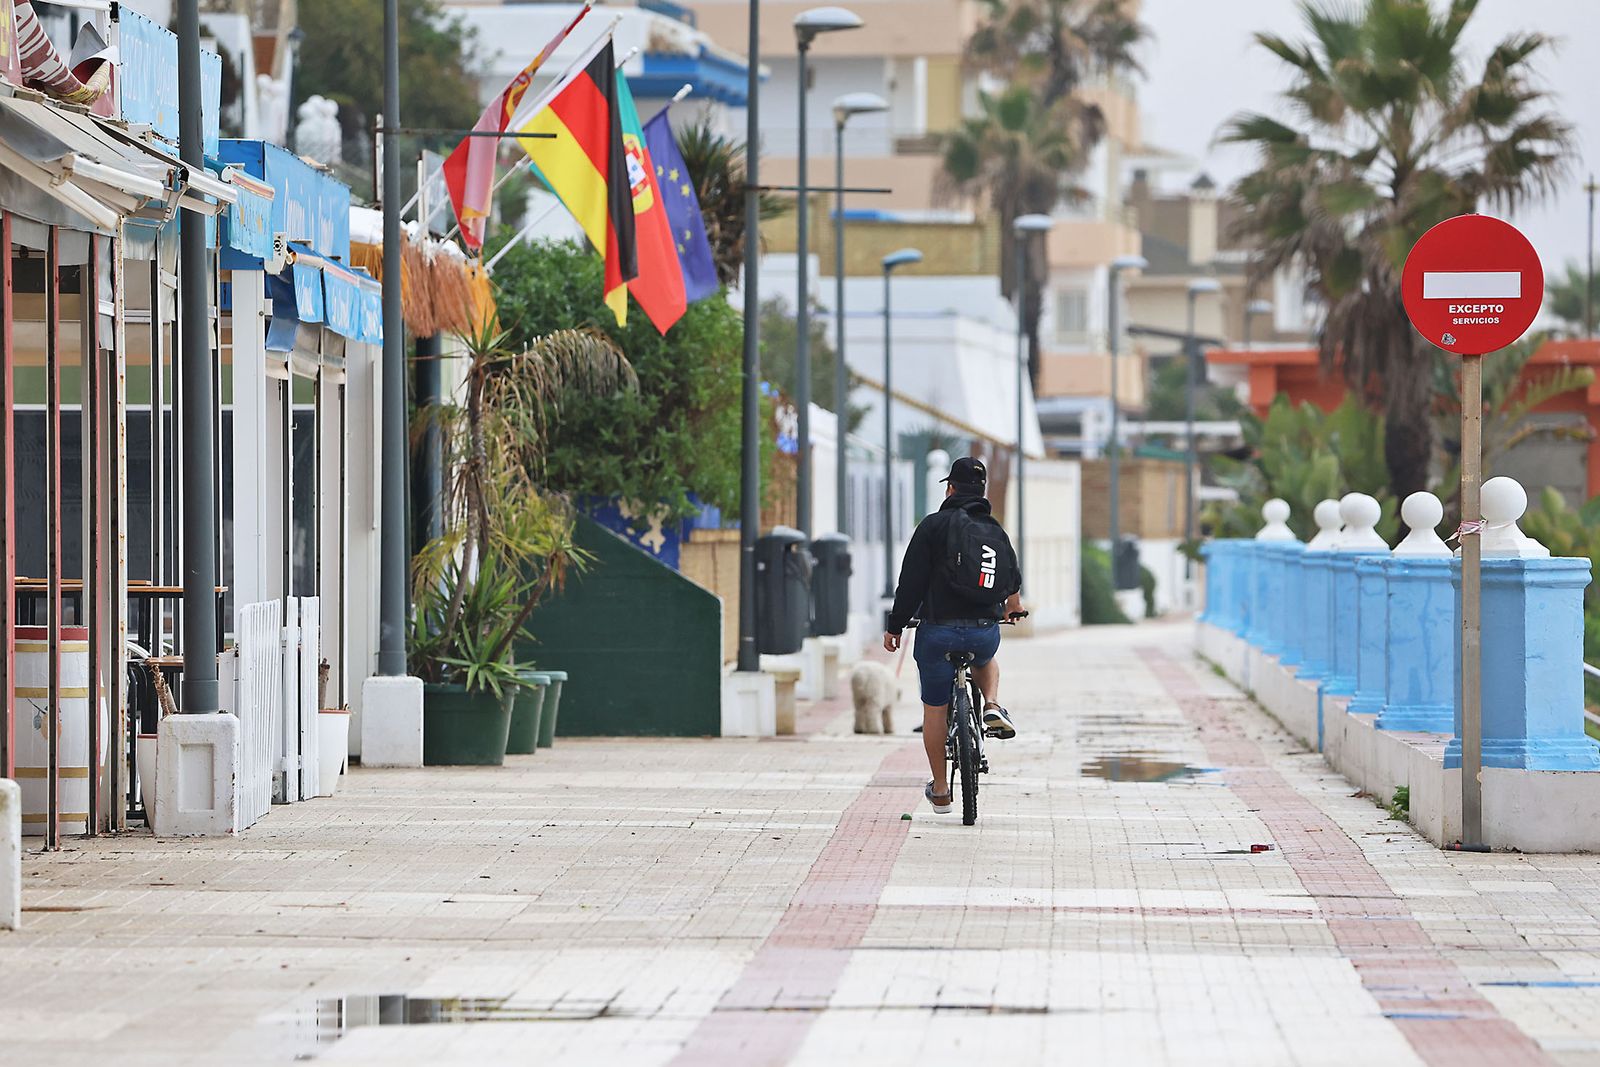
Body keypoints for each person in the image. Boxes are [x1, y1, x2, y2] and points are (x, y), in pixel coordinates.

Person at [883, 456, 1023, 814]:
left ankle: (942, 790)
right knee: (987, 658)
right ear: (983, 491)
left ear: (950, 488)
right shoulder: (994, 530)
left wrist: (896, 626)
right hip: (982, 634)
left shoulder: (932, 527)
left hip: (937, 633)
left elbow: (911, 583)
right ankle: (992, 704)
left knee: (935, 709)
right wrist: (1013, 609)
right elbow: (1011, 581)